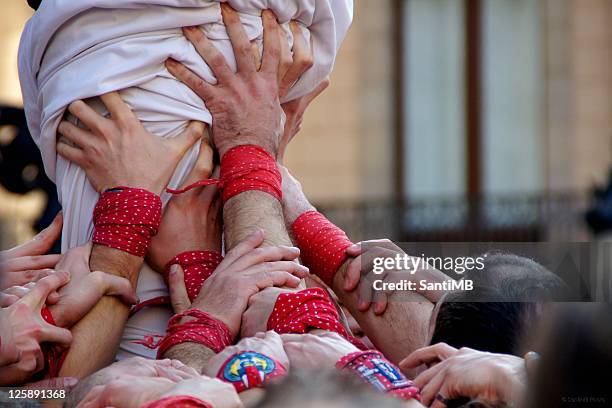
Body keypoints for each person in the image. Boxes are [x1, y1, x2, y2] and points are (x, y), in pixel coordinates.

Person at [18, 0, 352, 366]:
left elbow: (63, 396)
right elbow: (290, 346)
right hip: (111, 49)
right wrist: (258, 156)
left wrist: (129, 213)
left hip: (103, 50)